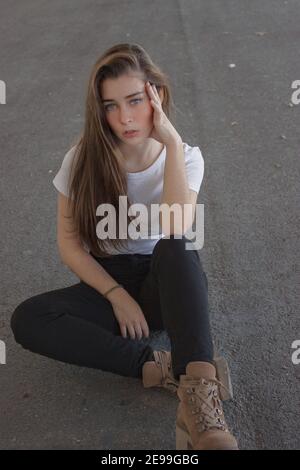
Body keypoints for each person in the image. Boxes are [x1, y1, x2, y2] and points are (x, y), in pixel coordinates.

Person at [11, 43, 238, 450]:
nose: (125, 117)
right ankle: (159, 366)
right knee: (29, 319)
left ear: (157, 95)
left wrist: (169, 144)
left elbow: (175, 226)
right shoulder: (81, 159)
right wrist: (116, 296)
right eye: (111, 105)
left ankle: (202, 408)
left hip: (165, 281)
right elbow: (69, 244)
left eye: (135, 100)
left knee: (177, 244)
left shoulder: (186, 157)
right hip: (108, 279)